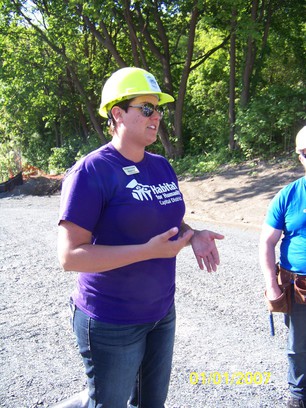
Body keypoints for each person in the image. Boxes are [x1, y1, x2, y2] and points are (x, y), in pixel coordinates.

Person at [57, 66, 224, 408]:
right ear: (117, 114)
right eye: (146, 108)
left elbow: (169, 223)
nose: (156, 116)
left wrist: (194, 235)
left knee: (151, 404)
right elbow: (70, 256)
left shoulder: (161, 166)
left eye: (158, 108)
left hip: (161, 312)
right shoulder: (91, 171)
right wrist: (148, 252)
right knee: (109, 404)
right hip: (110, 320)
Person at [259, 125, 306, 408]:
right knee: (298, 346)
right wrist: (271, 283)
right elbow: (266, 243)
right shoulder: (288, 195)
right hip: (298, 285)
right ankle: (299, 396)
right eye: (305, 152)